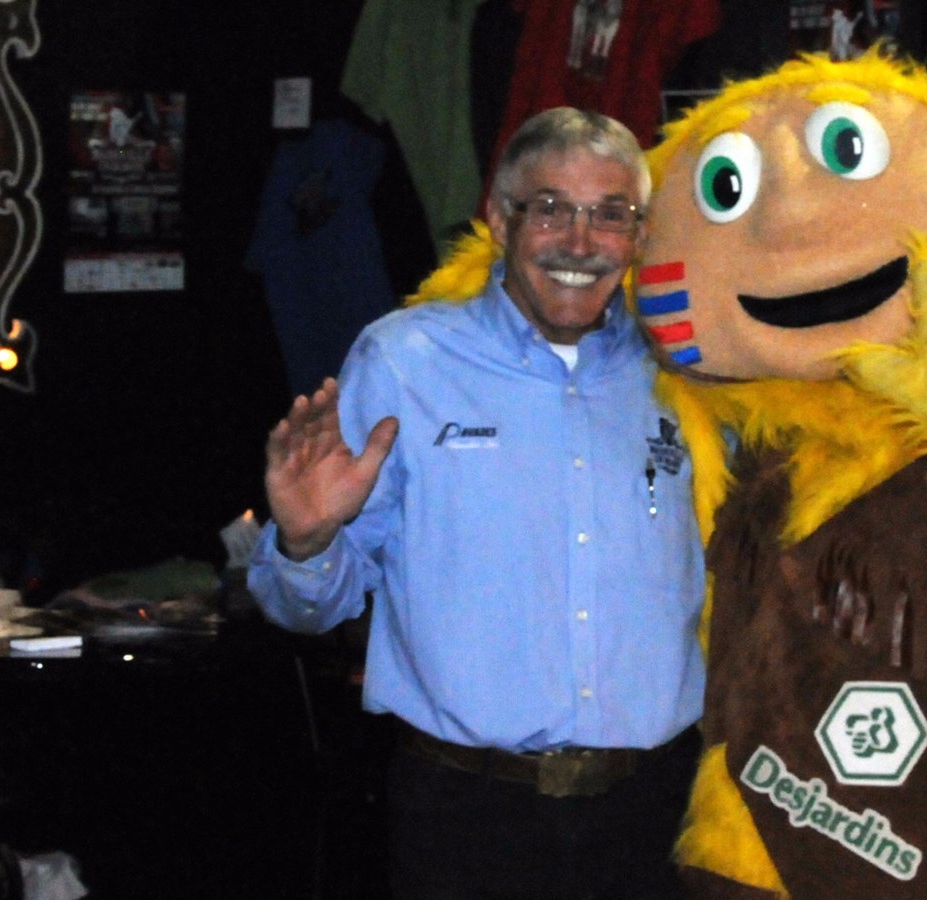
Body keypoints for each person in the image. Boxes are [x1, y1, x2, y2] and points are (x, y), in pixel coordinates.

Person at [246, 107, 706, 900]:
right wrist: (308, 543)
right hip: (465, 819)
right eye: (551, 208)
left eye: (610, 214)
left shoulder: (689, 370)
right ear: (498, 218)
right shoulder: (405, 360)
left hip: (653, 816)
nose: (580, 242)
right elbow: (307, 612)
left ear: (639, 233)